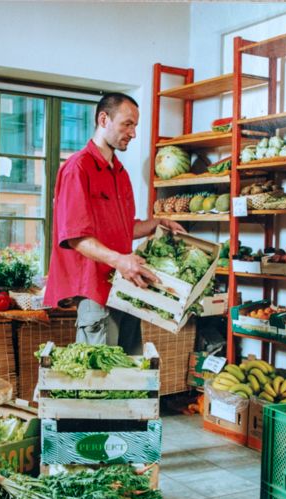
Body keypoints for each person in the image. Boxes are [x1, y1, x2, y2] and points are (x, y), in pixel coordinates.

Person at [44, 92, 185, 354]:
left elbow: (123, 230)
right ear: (103, 119)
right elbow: (75, 237)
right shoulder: (78, 168)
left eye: (135, 126)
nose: (132, 133)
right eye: (127, 124)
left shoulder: (120, 173)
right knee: (100, 382)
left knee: (131, 373)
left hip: (125, 288)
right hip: (96, 293)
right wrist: (121, 260)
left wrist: (157, 223)